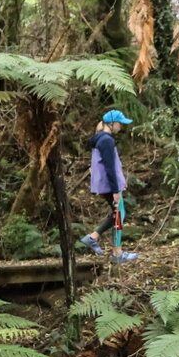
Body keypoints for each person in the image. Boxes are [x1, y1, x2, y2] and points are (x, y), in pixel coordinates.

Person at [80, 110, 139, 264]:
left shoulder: (102, 138)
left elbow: (113, 165)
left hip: (107, 183)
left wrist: (120, 181)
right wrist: (115, 190)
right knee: (119, 215)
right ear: (111, 124)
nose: (121, 127)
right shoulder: (106, 140)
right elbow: (109, 167)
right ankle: (117, 253)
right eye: (120, 123)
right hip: (108, 185)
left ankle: (93, 237)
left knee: (117, 214)